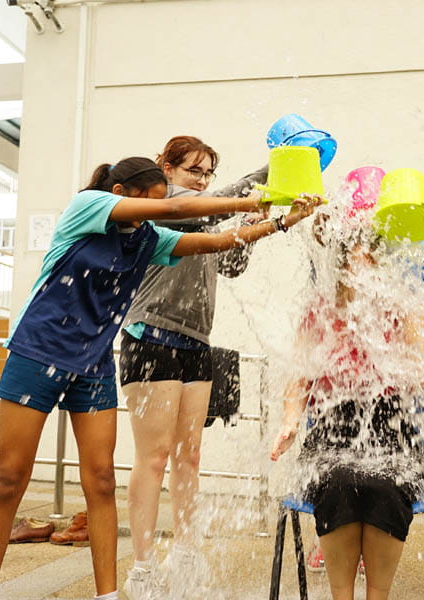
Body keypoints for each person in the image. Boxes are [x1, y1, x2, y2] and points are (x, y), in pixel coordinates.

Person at [0, 156, 319, 600]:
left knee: (100, 480)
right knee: (9, 479)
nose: (154, 212)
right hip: (38, 351)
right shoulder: (88, 206)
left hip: (92, 362)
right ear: (121, 196)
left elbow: (215, 244)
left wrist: (283, 222)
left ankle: (108, 595)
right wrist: (254, 195)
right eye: (149, 204)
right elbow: (176, 210)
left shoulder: (147, 240)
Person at [270, 220, 424, 600]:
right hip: (330, 429)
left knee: (384, 485)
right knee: (339, 484)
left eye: (374, 255)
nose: (368, 263)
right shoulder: (320, 310)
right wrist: (290, 421)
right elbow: (299, 378)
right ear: (341, 261)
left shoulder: (402, 309)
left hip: (393, 428)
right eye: (359, 255)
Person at [119, 136, 272, 598]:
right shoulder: (164, 206)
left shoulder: (206, 210)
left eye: (208, 173)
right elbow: (213, 203)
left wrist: (253, 223)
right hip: (151, 336)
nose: (202, 180)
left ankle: (186, 553)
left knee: (189, 457)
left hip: (196, 342)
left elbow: (231, 263)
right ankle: (142, 566)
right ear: (165, 170)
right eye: (194, 171)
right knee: (155, 456)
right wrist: (277, 167)